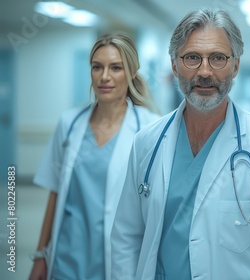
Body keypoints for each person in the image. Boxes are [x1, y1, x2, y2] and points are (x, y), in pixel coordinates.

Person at [110, 8, 250, 280]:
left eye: (218, 58)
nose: (205, 71)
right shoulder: (147, 143)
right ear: (174, 65)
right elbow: (126, 237)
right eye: (192, 58)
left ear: (235, 65)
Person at [28, 32, 160, 280]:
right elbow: (55, 193)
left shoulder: (149, 130)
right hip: (67, 258)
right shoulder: (69, 124)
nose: (105, 76)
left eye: (116, 68)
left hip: (118, 261)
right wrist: (39, 256)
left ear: (132, 73)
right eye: (97, 67)